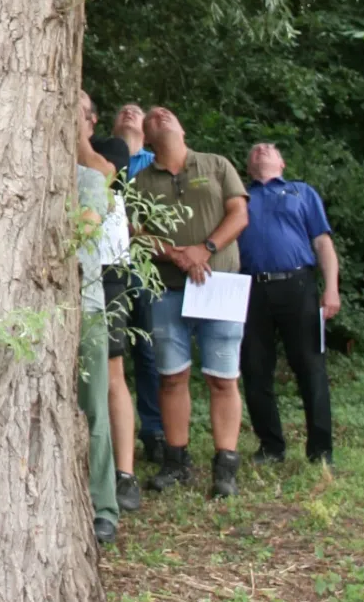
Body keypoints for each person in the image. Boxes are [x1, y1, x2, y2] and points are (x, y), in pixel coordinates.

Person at [131, 107, 249, 497]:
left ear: (182, 127)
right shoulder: (142, 180)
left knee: (222, 376)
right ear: (146, 137)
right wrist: (176, 254)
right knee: (172, 376)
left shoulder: (216, 164)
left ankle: (225, 464)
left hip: (220, 283)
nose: (160, 115)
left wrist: (205, 248)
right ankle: (176, 460)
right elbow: (136, 234)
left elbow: (239, 213)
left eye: (168, 113)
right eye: (153, 116)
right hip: (168, 286)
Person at [239, 143, 340, 466]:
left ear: (281, 163)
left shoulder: (302, 192)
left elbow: (322, 242)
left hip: (298, 287)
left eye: (269, 148)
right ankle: (271, 446)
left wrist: (332, 288)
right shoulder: (238, 196)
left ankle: (321, 451)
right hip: (250, 289)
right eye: (255, 148)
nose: (262, 149)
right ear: (248, 165)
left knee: (311, 367)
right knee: (255, 369)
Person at [82, 97, 140, 513]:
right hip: (73, 268)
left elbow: (103, 175)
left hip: (108, 268)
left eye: (78, 107)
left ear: (92, 118)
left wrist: (75, 136)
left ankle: (124, 474)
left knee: (112, 371)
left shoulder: (110, 147)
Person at [107, 102, 164, 465]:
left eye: (136, 110)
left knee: (146, 350)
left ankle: (154, 431)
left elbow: (163, 217)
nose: (129, 112)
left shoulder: (154, 164)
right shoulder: (101, 155)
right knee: (109, 355)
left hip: (143, 268)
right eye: (122, 110)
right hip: (105, 267)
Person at [76, 95, 120, 545]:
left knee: (93, 409)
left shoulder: (91, 176)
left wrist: (76, 133)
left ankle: (103, 506)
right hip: (30, 319)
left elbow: (85, 226)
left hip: (84, 309)